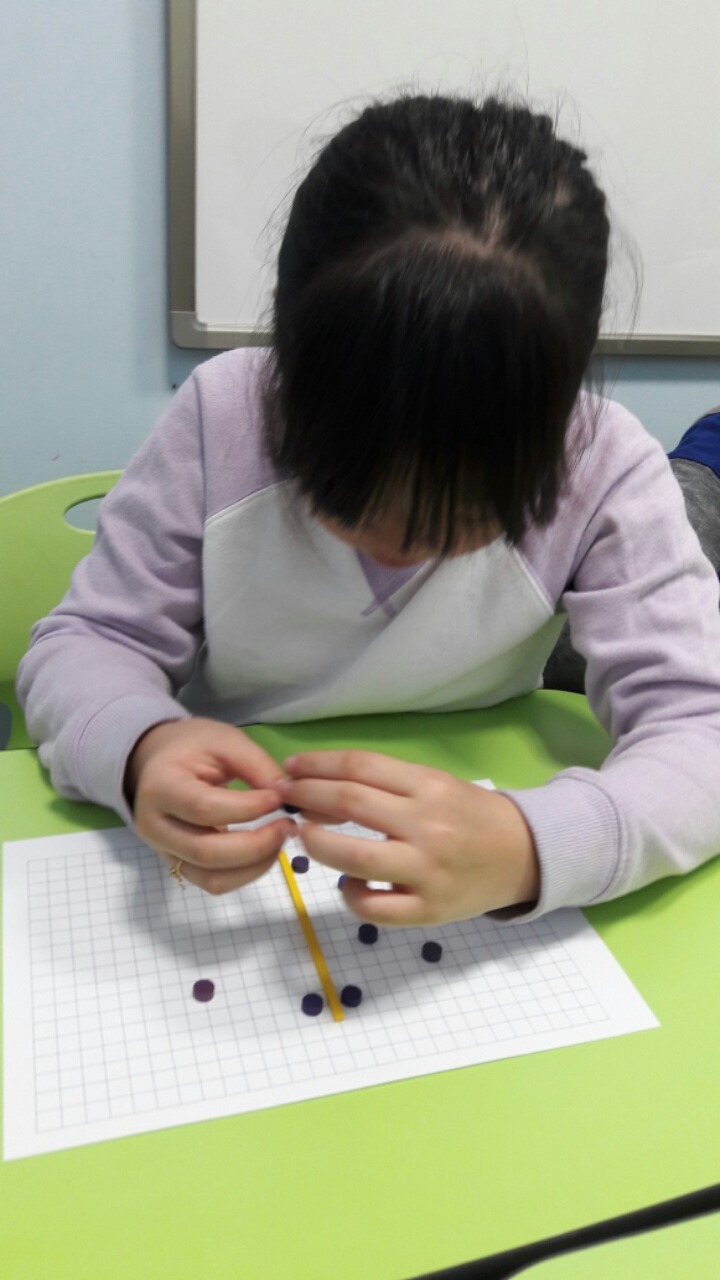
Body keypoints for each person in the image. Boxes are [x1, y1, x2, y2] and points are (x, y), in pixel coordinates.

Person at [17, 94, 720, 928]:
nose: (401, 542)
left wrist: (532, 846)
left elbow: (700, 729)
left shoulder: (604, 465)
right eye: (348, 483)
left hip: (485, 794)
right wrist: (139, 746)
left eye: (466, 505)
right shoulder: (220, 418)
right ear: (287, 366)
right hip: (244, 818)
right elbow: (89, 643)